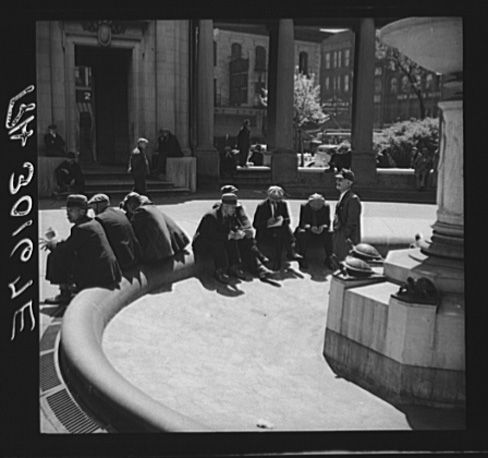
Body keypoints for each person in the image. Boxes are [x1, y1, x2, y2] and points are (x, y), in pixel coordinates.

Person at [41, 194, 122, 305]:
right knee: (62, 252)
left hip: (98, 275)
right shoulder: (92, 223)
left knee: (56, 255)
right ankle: (70, 287)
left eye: (71, 211)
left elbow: (66, 249)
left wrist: (52, 243)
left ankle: (65, 293)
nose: (67, 214)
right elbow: (72, 244)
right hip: (107, 272)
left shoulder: (81, 228)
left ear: (82, 212)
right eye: (67, 211)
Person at [213, 185, 273, 279]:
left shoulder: (238, 205)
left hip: (237, 230)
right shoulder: (219, 207)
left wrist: (247, 228)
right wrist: (235, 232)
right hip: (228, 233)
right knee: (244, 243)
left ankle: (260, 268)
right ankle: (258, 263)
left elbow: (243, 218)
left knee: (246, 240)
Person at [193, 193, 246, 284]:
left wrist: (238, 232)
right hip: (203, 242)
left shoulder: (229, 214)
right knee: (218, 244)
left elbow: (232, 226)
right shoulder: (211, 216)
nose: (234, 210)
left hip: (215, 238)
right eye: (232, 207)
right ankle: (219, 271)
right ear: (225, 207)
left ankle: (234, 266)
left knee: (232, 241)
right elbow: (212, 235)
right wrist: (229, 236)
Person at [123, 192, 189, 264]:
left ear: (132, 204)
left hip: (160, 253)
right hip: (175, 246)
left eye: (127, 208)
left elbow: (131, 230)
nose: (127, 211)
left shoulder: (142, 211)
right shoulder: (153, 208)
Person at [252, 185, 303, 271]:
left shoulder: (282, 204)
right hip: (266, 230)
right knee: (281, 233)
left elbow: (287, 219)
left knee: (282, 231)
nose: (276, 201)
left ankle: (280, 258)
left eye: (278, 199)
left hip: (279, 228)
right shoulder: (262, 206)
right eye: (274, 199)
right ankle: (289, 252)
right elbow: (256, 224)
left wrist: (281, 220)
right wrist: (267, 222)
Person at [88, 193, 142, 270]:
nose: (94, 211)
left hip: (122, 261)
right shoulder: (119, 213)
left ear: (98, 206)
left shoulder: (100, 219)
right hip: (135, 256)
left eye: (94, 208)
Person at [294, 193, 334, 270]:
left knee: (329, 234)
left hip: (320, 228)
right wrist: (310, 227)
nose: (316, 210)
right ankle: (302, 257)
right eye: (314, 208)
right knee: (302, 233)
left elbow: (327, 222)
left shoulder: (326, 207)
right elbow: (302, 222)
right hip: (309, 228)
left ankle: (329, 257)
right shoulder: (305, 206)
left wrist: (323, 227)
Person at [332, 169, 362, 262]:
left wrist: (343, 236)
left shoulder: (353, 199)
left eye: (340, 180)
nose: (337, 182)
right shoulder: (343, 196)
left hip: (346, 239)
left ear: (349, 183)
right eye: (337, 179)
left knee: (345, 262)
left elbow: (352, 222)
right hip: (339, 236)